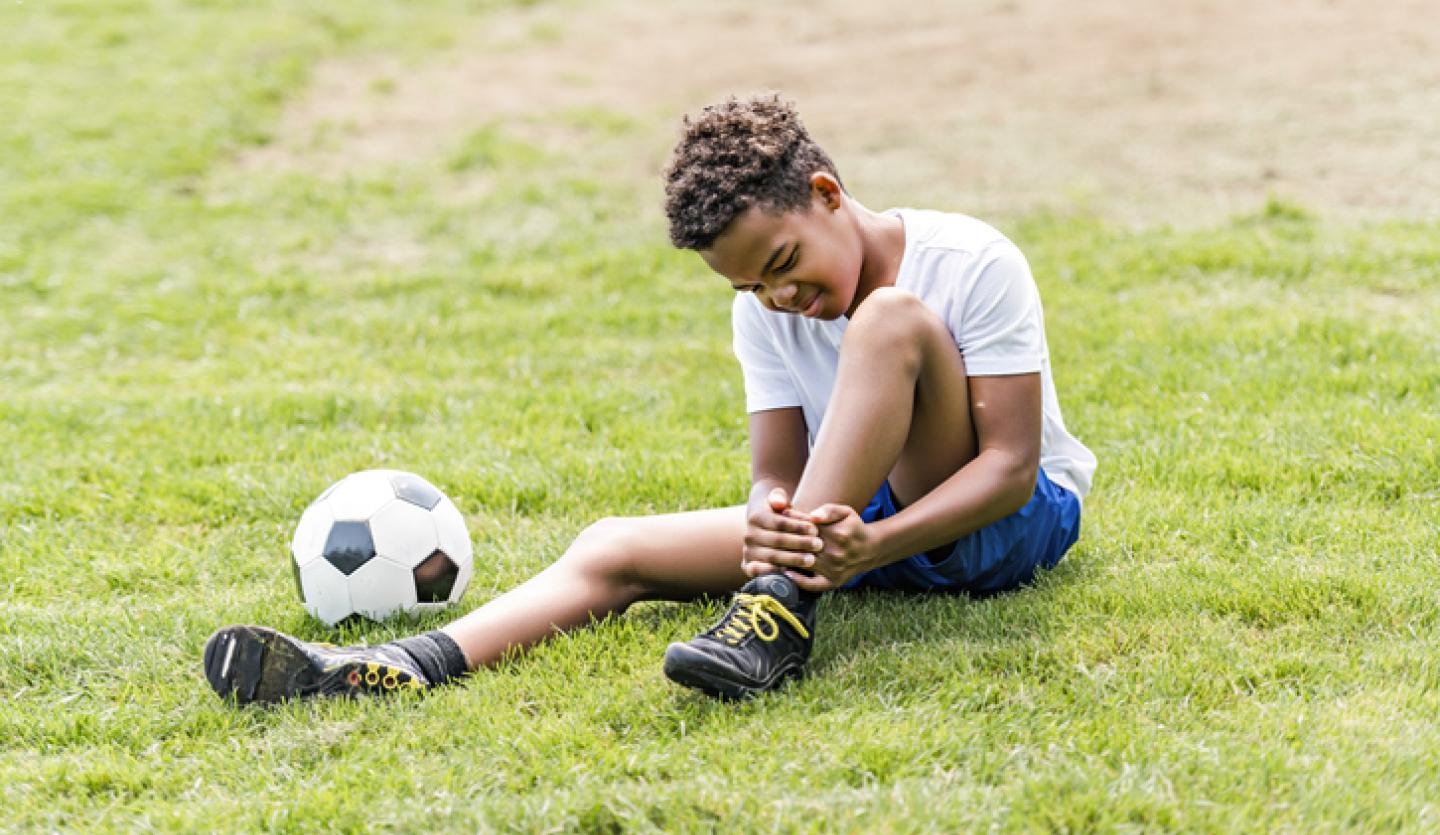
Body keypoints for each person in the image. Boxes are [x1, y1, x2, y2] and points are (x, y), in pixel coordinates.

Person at [202, 93, 1096, 704]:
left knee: (888, 320)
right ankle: (388, 666)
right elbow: (773, 473)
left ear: (826, 194)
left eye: (782, 265)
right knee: (612, 545)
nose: (779, 299)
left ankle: (775, 610)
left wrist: (875, 545)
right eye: (751, 288)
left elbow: (1013, 468)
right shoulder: (765, 311)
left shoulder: (969, 259)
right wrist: (768, 518)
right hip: (846, 539)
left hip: (994, 524)